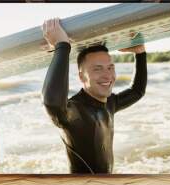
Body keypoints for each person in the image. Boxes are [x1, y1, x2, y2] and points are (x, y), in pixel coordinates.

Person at [41, 18, 147, 174]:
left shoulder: (110, 103)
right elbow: (52, 103)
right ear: (82, 77)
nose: (107, 75)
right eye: (97, 69)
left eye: (110, 67)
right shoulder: (73, 111)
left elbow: (137, 91)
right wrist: (62, 45)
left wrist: (140, 53)